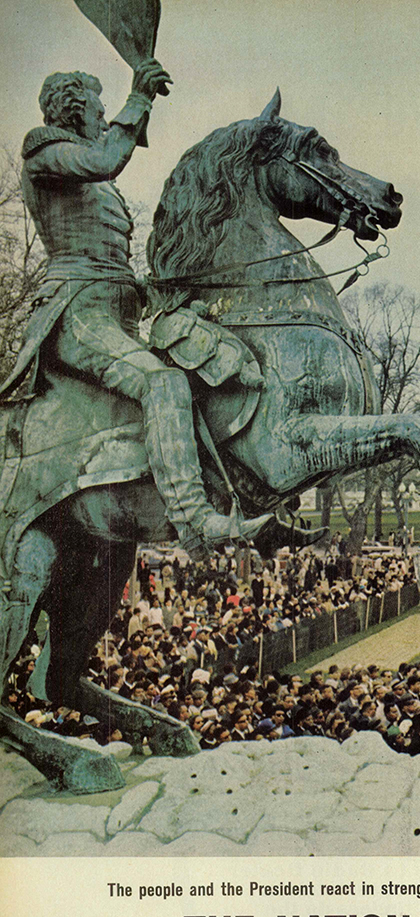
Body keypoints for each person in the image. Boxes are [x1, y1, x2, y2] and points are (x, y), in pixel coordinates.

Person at [5, 60, 310, 557]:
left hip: (118, 314)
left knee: (192, 371)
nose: (106, 118)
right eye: (100, 109)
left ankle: (245, 496)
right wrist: (139, 100)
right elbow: (106, 158)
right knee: (161, 382)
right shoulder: (44, 152)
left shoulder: (88, 171)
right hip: (78, 315)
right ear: (75, 110)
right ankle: (195, 520)